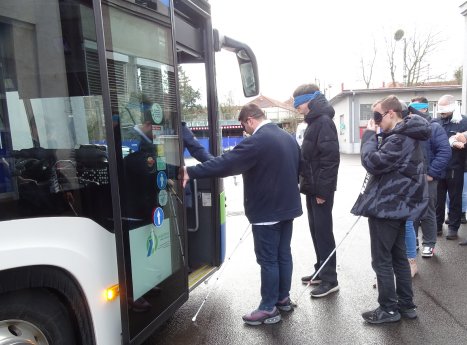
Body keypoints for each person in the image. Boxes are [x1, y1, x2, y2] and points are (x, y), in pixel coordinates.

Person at [181, 103, 302, 326]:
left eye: (245, 128)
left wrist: (191, 171)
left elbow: (227, 164)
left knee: (268, 259)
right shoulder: (288, 138)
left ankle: (268, 308)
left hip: (267, 210)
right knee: (283, 254)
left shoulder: (257, 140)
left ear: (249, 120)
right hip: (288, 209)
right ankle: (283, 298)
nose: (246, 132)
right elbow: (298, 169)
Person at [351, 95, 430, 324]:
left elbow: (373, 163)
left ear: (391, 113)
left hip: (387, 207)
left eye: (377, 116)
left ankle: (388, 308)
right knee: (398, 258)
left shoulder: (398, 140)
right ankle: (406, 306)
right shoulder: (405, 136)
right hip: (398, 206)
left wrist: (368, 137)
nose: (375, 121)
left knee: (382, 260)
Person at [293, 84, 340, 298]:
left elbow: (330, 161)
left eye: (298, 103)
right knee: (315, 230)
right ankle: (321, 270)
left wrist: (323, 192)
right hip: (312, 188)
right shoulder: (314, 122)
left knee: (323, 232)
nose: (297, 108)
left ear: (310, 101)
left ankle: (330, 279)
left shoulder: (323, 122)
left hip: (320, 190)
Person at [406, 98, 451, 258]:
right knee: (410, 213)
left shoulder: (434, 127)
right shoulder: (406, 127)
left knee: (427, 211)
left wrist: (432, 173)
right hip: (410, 178)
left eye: (418, 106)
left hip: (428, 178)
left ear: (425, 108)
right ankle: (413, 243)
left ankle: (429, 244)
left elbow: (444, 152)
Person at [432, 95, 467, 240]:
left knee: (455, 198)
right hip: (439, 167)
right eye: (440, 108)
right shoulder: (436, 122)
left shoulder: (463, 121)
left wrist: (463, 139)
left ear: (453, 106)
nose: (442, 111)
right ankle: (437, 226)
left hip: (456, 166)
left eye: (444, 108)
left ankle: (453, 227)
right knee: (437, 200)